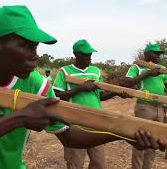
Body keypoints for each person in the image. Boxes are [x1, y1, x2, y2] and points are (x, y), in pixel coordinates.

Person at [0, 5, 165, 169]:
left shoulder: (37, 84)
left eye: (36, 47)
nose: (34, 56)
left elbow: (69, 136)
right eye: (26, 46)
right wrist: (18, 118)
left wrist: (121, 134)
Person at [53, 39, 130, 169]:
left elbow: (99, 96)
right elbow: (56, 95)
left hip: (97, 122)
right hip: (76, 124)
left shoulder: (95, 71)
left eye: (90, 54)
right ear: (76, 55)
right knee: (76, 163)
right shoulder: (65, 71)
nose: (89, 57)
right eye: (86, 55)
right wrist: (79, 88)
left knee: (99, 163)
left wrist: (116, 93)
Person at [122, 43, 167, 169]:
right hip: (145, 107)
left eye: (159, 54)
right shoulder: (137, 66)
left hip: (160, 109)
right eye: (155, 53)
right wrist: (149, 73)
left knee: (154, 142)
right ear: (146, 54)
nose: (158, 56)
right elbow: (127, 82)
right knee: (140, 140)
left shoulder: (162, 69)